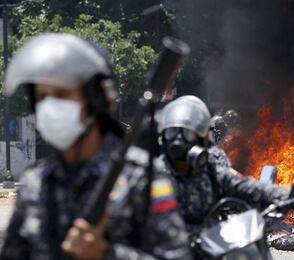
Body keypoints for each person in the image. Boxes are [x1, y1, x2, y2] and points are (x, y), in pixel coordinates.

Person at [0, 33, 191, 260]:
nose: (50, 106)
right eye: (42, 96)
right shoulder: (35, 181)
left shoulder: (141, 177)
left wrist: (106, 254)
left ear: (94, 99)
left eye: (62, 94)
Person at [156, 95, 289, 234]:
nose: (178, 140)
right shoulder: (149, 175)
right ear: (162, 138)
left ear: (202, 140)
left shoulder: (211, 171)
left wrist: (291, 194)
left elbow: (247, 186)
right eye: (172, 132)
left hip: (206, 248)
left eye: (188, 134)